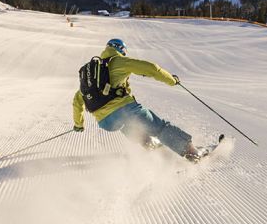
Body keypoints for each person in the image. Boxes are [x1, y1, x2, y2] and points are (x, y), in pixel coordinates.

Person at [73, 38, 205, 161]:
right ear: (120, 49)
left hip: (106, 123)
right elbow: (151, 68)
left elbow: (77, 101)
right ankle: (192, 152)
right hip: (124, 109)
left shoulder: (94, 74)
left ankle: (157, 150)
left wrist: (78, 124)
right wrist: (171, 80)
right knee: (159, 127)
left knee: (130, 127)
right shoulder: (118, 61)